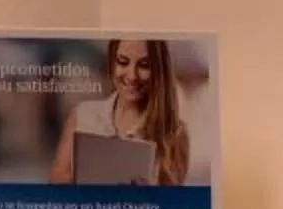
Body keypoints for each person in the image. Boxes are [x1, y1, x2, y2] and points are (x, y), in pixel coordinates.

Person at [50, 37, 190, 185]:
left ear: (159, 70)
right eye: (123, 62)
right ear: (112, 62)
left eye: (144, 65)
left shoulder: (175, 133)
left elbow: (173, 204)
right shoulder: (82, 115)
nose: (132, 76)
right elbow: (55, 189)